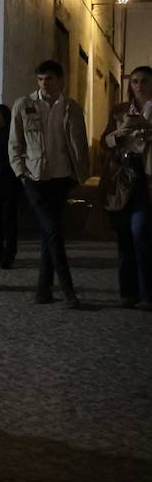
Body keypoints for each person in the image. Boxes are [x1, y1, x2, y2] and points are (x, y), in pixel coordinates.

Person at [10, 60, 89, 308]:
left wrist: (80, 175)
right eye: (41, 79)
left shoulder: (71, 108)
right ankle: (68, 290)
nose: (45, 84)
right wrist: (21, 173)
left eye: (50, 79)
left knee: (49, 233)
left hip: (62, 177)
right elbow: (15, 142)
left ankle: (43, 290)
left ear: (60, 80)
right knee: (54, 231)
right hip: (34, 177)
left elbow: (80, 143)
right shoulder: (24, 105)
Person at [100, 65, 152, 309]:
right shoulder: (120, 110)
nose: (139, 86)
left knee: (141, 232)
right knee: (124, 236)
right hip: (122, 175)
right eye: (135, 81)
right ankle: (127, 292)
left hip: (147, 176)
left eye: (144, 81)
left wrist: (147, 125)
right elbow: (105, 142)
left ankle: (147, 294)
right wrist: (118, 133)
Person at [0, 104, 20, 269]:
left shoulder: (11, 134)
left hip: (8, 182)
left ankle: (9, 254)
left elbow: (16, 156)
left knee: (9, 220)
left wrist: (0, 169)